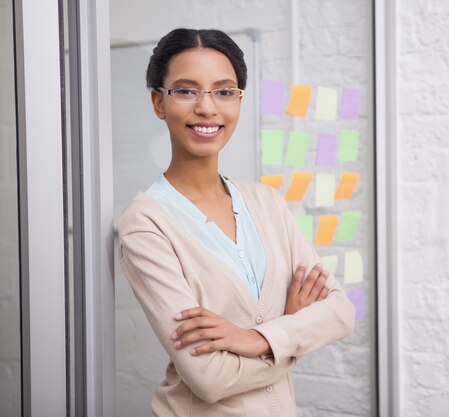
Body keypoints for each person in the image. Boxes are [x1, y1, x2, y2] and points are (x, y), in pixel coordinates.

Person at [118, 28, 355, 417]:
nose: (208, 108)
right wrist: (291, 332)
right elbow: (210, 379)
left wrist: (255, 338)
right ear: (159, 103)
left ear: (239, 101)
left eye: (225, 91)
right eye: (186, 90)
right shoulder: (145, 225)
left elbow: (340, 312)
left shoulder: (267, 202)